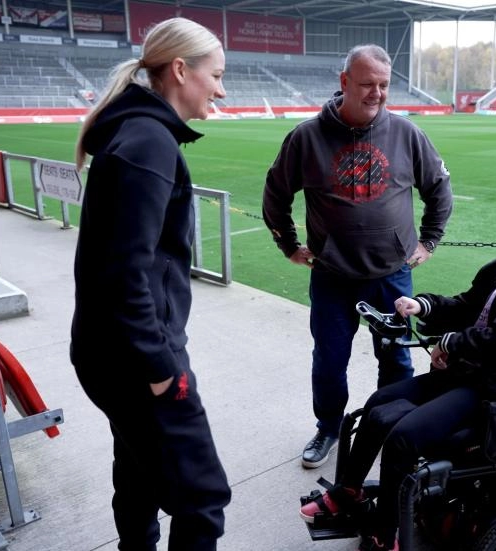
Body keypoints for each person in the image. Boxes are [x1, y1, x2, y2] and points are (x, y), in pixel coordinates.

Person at [299, 176, 496, 551]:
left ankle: (387, 535)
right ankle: (348, 493)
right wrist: (424, 306)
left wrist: (451, 345)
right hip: (475, 372)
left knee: (403, 436)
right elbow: (470, 306)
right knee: (376, 405)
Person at [70, 18, 231, 551]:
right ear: (180, 70)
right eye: (216, 74)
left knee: (138, 472)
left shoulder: (136, 133)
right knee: (203, 497)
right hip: (138, 359)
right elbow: (126, 274)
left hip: (112, 353)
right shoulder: (150, 142)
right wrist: (160, 368)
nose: (221, 89)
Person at [262, 44, 454, 469]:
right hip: (332, 275)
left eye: (384, 85)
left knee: (396, 357)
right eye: (367, 84)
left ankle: (394, 427)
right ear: (344, 82)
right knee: (330, 359)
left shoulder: (407, 133)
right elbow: (275, 194)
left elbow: (439, 189)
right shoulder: (306, 137)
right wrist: (290, 246)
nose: (377, 93)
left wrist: (429, 241)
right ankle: (329, 427)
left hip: (391, 274)